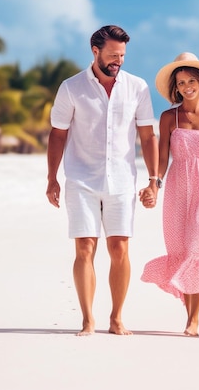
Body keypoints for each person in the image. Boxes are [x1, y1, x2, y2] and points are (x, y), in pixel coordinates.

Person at [46, 25, 159, 336]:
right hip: (81, 179)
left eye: (121, 55)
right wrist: (51, 179)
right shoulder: (71, 87)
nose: (117, 61)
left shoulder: (138, 87)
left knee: (120, 248)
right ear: (94, 51)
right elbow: (58, 134)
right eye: (112, 55)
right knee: (84, 248)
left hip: (122, 180)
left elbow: (147, 136)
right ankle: (87, 320)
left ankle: (117, 317)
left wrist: (154, 180)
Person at [140, 52, 199, 336]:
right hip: (176, 189)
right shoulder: (169, 117)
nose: (187, 86)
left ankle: (193, 320)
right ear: (176, 87)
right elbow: (162, 157)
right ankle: (190, 315)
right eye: (181, 82)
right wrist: (154, 184)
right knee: (182, 253)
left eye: (191, 81)